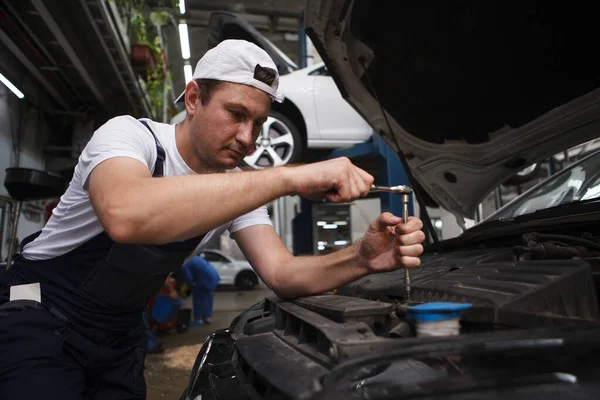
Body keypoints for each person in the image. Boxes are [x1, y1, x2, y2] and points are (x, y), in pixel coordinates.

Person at [0, 39, 425, 399]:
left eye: (259, 122)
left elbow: (282, 272)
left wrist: (362, 258)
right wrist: (290, 176)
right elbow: (124, 214)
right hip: (41, 318)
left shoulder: (236, 187)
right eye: (236, 114)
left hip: (117, 335)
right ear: (193, 99)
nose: (248, 138)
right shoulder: (131, 138)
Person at [181, 255, 220, 326]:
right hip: (214, 276)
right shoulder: (194, 257)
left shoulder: (184, 263)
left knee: (198, 299)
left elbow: (189, 278)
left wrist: (187, 288)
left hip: (204, 280)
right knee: (208, 299)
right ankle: (207, 318)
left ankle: (198, 319)